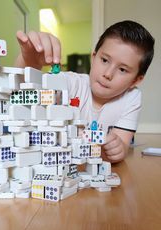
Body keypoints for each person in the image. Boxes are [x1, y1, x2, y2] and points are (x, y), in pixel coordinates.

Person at [15, 20, 155, 163]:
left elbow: (122, 147)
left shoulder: (132, 98)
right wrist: (31, 63)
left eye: (122, 69)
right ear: (93, 57)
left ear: (135, 80)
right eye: (105, 60)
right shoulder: (72, 82)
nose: (108, 74)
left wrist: (116, 149)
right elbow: (23, 92)